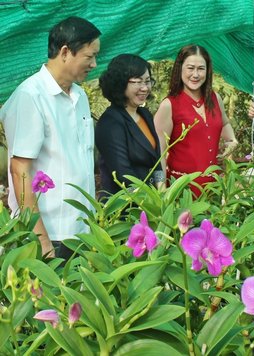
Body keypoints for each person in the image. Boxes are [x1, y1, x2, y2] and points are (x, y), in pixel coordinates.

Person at [0, 16, 101, 259]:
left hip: (81, 229)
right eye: (89, 57)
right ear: (65, 52)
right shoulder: (31, 96)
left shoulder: (80, 96)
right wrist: (41, 241)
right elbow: (19, 169)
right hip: (50, 231)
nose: (95, 64)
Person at [154, 44, 237, 197]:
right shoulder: (169, 105)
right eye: (190, 68)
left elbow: (224, 123)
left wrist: (232, 140)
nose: (196, 74)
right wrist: (161, 192)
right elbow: (157, 155)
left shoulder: (214, 98)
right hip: (182, 190)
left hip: (214, 188)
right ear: (180, 69)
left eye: (201, 68)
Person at [95, 54, 164, 196]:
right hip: (125, 206)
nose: (145, 88)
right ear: (120, 83)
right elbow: (123, 175)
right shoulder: (110, 122)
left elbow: (156, 161)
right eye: (138, 82)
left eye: (148, 81)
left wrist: (163, 193)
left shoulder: (145, 114)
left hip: (151, 201)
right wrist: (147, 202)